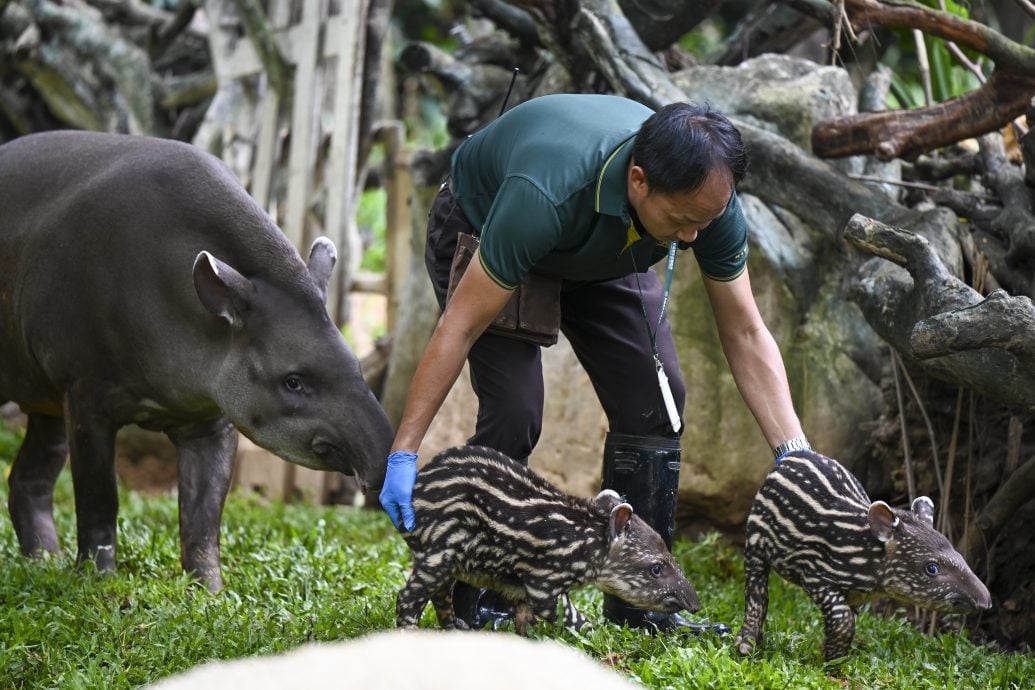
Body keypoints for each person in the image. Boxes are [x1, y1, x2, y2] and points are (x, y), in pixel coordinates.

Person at [379, 93, 810, 633]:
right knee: (515, 409)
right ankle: (472, 599)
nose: (693, 237)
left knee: (658, 401)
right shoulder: (546, 194)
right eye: (682, 220)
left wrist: (795, 455)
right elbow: (460, 326)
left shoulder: (705, 204)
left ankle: (641, 603)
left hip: (610, 249)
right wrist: (404, 451)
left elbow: (745, 330)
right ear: (638, 180)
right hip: (492, 221)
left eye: (705, 222)